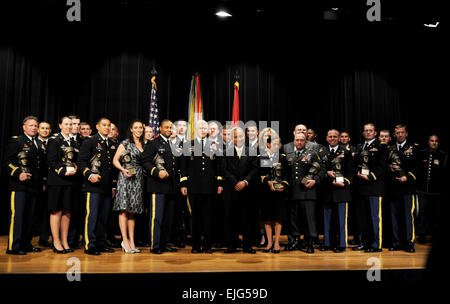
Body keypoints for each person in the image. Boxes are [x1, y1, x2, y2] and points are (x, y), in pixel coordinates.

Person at [180, 120, 223, 253]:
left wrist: (219, 183)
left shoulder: (215, 145)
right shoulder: (188, 144)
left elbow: (218, 166)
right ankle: (196, 246)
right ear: (195, 129)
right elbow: (184, 166)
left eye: (206, 128)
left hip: (209, 187)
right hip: (194, 186)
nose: (204, 130)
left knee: (208, 218)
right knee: (195, 218)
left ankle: (207, 246)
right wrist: (184, 184)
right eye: (201, 128)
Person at [77, 117, 118, 255]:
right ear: (97, 127)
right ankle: (90, 245)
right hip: (93, 186)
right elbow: (81, 162)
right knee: (92, 216)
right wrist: (89, 175)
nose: (107, 128)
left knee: (103, 217)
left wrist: (113, 186)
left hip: (106, 187)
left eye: (109, 125)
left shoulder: (110, 143)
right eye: (104, 125)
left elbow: (111, 168)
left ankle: (101, 243)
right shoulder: (90, 141)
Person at [3, 116, 43, 255]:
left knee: (30, 217)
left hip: (33, 186)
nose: (34, 128)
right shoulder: (17, 141)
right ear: (24, 127)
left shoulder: (37, 142)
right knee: (17, 217)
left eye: (35, 126)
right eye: (31, 125)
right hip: (19, 185)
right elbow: (7, 161)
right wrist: (17, 173)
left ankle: (26, 244)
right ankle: (13, 247)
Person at [142, 119, 179, 254]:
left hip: (171, 187)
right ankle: (155, 245)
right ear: (160, 128)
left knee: (168, 218)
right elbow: (145, 161)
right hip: (157, 185)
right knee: (156, 217)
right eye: (167, 127)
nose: (169, 129)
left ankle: (164, 243)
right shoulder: (153, 143)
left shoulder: (172, 144)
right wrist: (157, 172)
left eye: (171, 127)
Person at [286, 133, 325, 253]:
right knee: (293, 219)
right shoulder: (289, 155)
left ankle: (309, 243)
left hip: (308, 192)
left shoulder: (312, 154)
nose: (299, 142)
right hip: (292, 192)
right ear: (294, 141)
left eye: (301, 140)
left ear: (305, 142)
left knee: (309, 219)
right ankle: (295, 241)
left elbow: (322, 170)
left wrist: (315, 180)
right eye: (297, 140)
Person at [222, 127, 258, 254]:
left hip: (246, 190)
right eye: (236, 137)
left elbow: (255, 169)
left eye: (241, 136)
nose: (239, 139)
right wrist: (235, 182)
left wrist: (245, 182)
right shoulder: (225, 152)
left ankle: (247, 246)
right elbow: (224, 169)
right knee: (230, 218)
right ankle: (231, 246)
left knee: (247, 219)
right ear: (232, 138)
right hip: (230, 190)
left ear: (245, 137)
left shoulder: (252, 151)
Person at [353, 123, 388, 253]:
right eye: (366, 131)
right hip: (361, 188)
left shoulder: (381, 147)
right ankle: (364, 242)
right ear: (363, 133)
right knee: (363, 218)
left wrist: (371, 176)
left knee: (375, 218)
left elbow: (383, 167)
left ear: (375, 133)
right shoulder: (359, 147)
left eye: (370, 130)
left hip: (374, 187)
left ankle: (376, 244)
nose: (368, 132)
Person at [46, 117, 79, 253]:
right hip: (57, 181)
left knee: (67, 211)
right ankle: (56, 241)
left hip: (71, 181)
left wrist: (75, 169)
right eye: (66, 124)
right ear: (60, 125)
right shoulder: (54, 140)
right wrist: (64, 171)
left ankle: (65, 241)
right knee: (57, 210)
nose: (69, 126)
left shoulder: (73, 142)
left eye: (71, 124)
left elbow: (76, 160)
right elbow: (51, 161)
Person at [112, 120, 145, 253]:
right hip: (126, 178)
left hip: (138, 178)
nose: (139, 130)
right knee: (124, 209)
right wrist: (123, 170)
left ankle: (132, 241)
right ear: (131, 129)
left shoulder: (144, 144)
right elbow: (115, 160)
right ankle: (124, 240)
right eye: (136, 127)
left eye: (141, 128)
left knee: (133, 211)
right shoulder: (125, 143)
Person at [388, 124, 420, 253]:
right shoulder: (390, 148)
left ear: (406, 134)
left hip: (407, 187)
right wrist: (389, 168)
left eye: (402, 132)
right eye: (397, 133)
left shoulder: (414, 147)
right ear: (394, 134)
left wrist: (408, 177)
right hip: (394, 187)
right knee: (395, 217)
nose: (399, 135)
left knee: (408, 216)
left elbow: (418, 167)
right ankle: (397, 242)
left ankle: (409, 243)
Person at [321, 129, 354, 253]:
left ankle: (341, 244)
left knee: (341, 220)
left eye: (335, 136)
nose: (333, 138)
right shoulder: (321, 152)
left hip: (342, 191)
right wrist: (326, 173)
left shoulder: (346, 152)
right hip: (327, 191)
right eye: (330, 136)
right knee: (327, 219)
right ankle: (328, 243)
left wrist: (344, 182)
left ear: (339, 138)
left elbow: (351, 173)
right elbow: (319, 170)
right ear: (327, 138)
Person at [259, 133, 289, 254]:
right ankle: (269, 242)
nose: (277, 146)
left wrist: (284, 185)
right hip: (266, 192)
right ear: (268, 144)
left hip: (279, 192)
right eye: (275, 143)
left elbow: (287, 176)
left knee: (278, 218)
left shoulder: (282, 158)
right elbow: (259, 174)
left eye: (279, 144)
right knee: (267, 218)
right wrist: (268, 182)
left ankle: (276, 242)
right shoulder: (262, 157)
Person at [417, 135, 448, 244]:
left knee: (436, 215)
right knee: (423, 213)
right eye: (432, 141)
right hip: (423, 190)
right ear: (428, 142)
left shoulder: (443, 155)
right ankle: (421, 235)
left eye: (436, 141)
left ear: (438, 143)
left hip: (437, 192)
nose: (434, 143)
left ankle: (434, 236)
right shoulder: (422, 153)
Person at [36, 121, 52, 248]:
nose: (45, 130)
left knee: (47, 212)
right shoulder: (34, 143)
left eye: (47, 128)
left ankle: (44, 238)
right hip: (37, 182)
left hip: (51, 182)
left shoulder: (52, 142)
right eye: (42, 128)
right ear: (38, 130)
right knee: (35, 212)